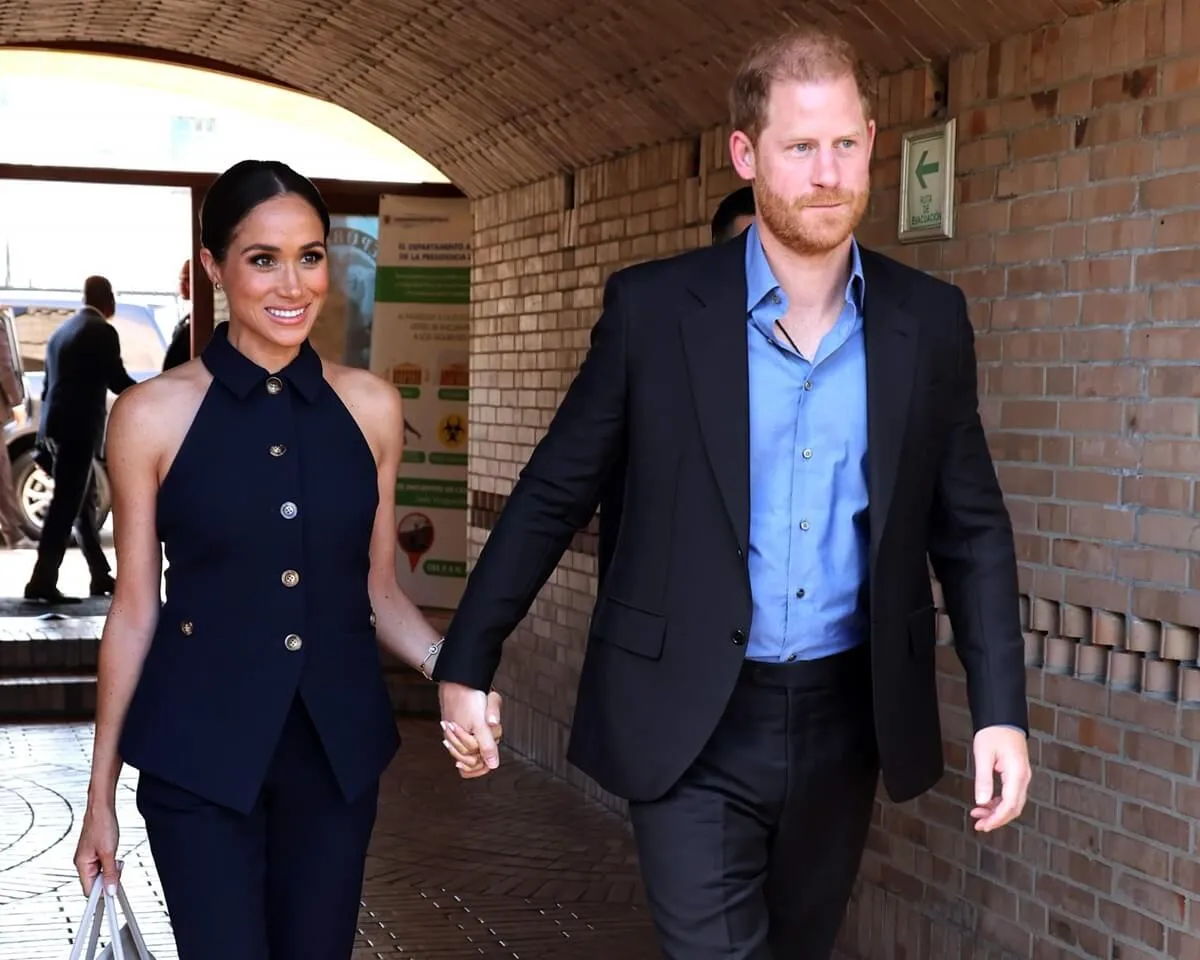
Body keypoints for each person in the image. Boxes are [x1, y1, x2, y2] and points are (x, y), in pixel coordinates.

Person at [433, 26, 1031, 960]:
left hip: (847, 715)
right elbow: (553, 491)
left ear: (873, 142)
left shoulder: (927, 321)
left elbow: (973, 529)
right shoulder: (655, 312)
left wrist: (1000, 710)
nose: (828, 173)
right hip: (690, 713)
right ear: (746, 155)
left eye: (845, 143)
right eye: (801, 147)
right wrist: (467, 660)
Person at [71, 160, 498, 959]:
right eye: (263, 259)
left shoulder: (372, 406)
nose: (293, 284)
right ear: (213, 267)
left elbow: (379, 592)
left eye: (310, 256)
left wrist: (457, 674)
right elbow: (132, 611)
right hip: (197, 756)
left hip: (335, 759)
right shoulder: (150, 414)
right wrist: (100, 798)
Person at [25, 276, 134, 602]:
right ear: (108, 298)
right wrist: (154, 392)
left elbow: (48, 390)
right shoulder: (101, 331)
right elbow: (117, 380)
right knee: (65, 505)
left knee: (84, 506)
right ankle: (42, 579)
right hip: (79, 430)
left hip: (57, 429)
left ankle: (99, 574)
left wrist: (42, 440)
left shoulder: (62, 332)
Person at [161, 259, 192, 372]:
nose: (182, 285)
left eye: (187, 280)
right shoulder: (185, 321)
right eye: (181, 279)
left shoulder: (198, 324)